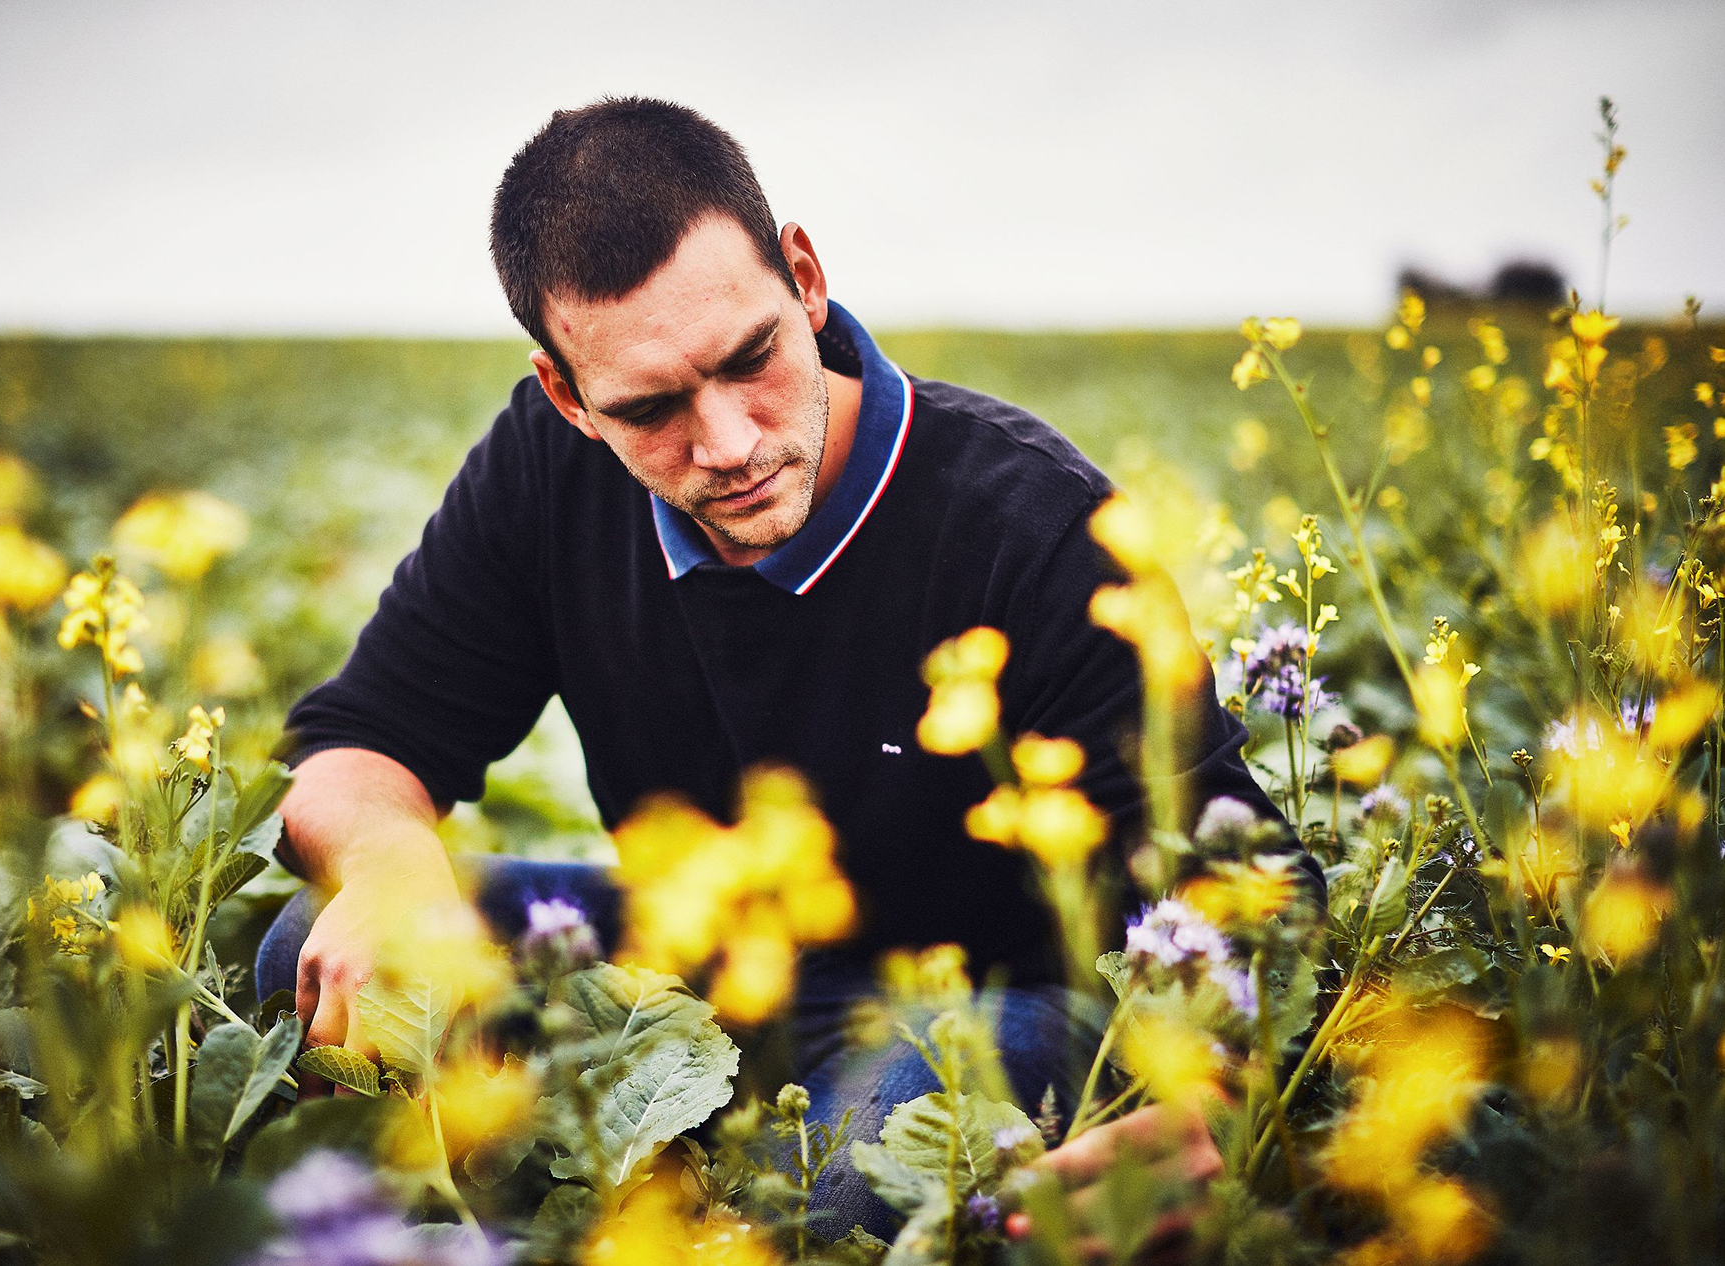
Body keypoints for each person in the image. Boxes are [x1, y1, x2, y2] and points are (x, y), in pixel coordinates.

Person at [258, 96, 1311, 1253]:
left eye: (750, 359)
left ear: (803, 278)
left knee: (869, 1171)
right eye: (649, 409)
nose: (728, 443)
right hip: (700, 970)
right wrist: (391, 863)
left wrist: (1204, 1109)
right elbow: (357, 742)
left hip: (980, 1008)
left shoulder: (1037, 528)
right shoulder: (546, 464)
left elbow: (1252, 889)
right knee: (310, 951)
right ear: (568, 396)